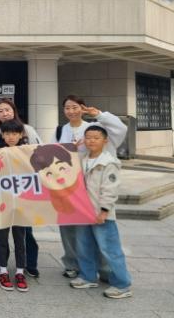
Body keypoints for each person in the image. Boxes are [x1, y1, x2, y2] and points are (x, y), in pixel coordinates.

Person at [52, 95, 127, 279]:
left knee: (97, 232)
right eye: (67, 107)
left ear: (82, 108)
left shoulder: (95, 127)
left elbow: (121, 129)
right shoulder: (60, 130)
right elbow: (52, 156)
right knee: (69, 229)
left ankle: (105, 270)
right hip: (68, 187)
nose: (71, 111)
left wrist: (100, 114)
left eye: (75, 107)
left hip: (92, 187)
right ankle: (73, 264)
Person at [0, 97, 42, 278]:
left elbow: (40, 152)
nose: (4, 113)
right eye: (0, 111)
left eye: (7, 109)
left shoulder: (27, 130)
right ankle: (1, 264)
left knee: (25, 230)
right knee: (1, 229)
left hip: (23, 188)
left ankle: (29, 264)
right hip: (1, 189)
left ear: (14, 110)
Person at [70, 125, 133, 299]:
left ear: (105, 141)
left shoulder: (109, 162)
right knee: (84, 246)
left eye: (96, 138)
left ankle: (122, 284)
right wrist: (72, 150)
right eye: (88, 137)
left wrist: (104, 211)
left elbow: (110, 189)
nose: (91, 141)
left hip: (101, 214)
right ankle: (88, 276)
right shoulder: (82, 159)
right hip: (84, 212)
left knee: (110, 249)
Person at [0, 120, 29, 292]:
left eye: (15, 134)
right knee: (2, 238)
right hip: (3, 202)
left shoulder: (28, 152)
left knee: (20, 238)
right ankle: (2, 270)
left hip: (22, 202)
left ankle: (20, 272)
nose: (11, 137)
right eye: (7, 134)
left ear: (21, 135)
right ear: (2, 135)